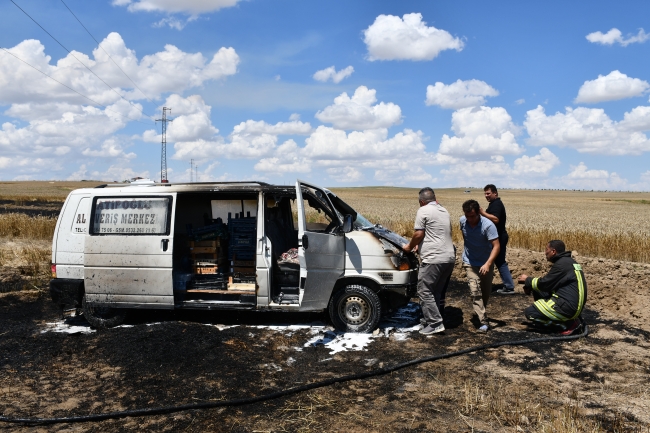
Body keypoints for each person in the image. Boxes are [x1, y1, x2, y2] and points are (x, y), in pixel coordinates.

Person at [403, 187, 456, 335]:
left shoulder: (423, 210)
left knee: (424, 290)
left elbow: (419, 233)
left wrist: (410, 246)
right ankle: (433, 319)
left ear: (421, 201)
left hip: (434, 258)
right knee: (436, 291)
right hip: (449, 258)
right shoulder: (444, 211)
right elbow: (439, 233)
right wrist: (421, 246)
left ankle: (435, 323)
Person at [518, 240, 587, 335]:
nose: (545, 252)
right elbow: (548, 284)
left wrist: (527, 280)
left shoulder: (561, 265)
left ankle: (565, 325)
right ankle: (561, 319)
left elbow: (545, 284)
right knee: (536, 288)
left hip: (567, 308)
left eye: (547, 250)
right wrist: (531, 286)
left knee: (530, 313)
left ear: (553, 251)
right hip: (572, 307)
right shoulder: (569, 262)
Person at [460, 199, 500, 333]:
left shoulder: (488, 225)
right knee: (474, 290)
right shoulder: (462, 222)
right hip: (470, 262)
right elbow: (465, 238)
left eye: (472, 216)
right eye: (467, 216)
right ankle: (483, 321)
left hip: (485, 262)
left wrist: (488, 263)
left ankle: (480, 311)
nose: (470, 219)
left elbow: (496, 246)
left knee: (485, 292)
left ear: (479, 213)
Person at [479, 184, 515, 294]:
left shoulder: (497, 204)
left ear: (495, 193)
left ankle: (509, 286)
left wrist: (482, 213)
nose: (486, 196)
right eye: (485, 194)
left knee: (499, 261)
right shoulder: (494, 204)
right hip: (497, 237)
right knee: (498, 261)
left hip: (499, 237)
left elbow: (496, 219)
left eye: (488, 193)